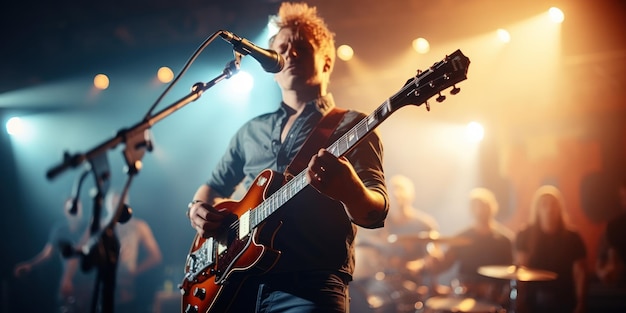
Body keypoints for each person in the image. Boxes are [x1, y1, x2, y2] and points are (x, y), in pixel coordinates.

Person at [185, 2, 389, 312]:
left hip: (310, 286)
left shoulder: (354, 126)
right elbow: (211, 189)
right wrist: (197, 210)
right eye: (282, 48)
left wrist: (351, 191)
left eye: (301, 48)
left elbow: (376, 211)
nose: (289, 54)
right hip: (235, 286)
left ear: (327, 62)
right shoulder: (250, 131)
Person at [411, 187, 514, 308]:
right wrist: (431, 263)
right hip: (464, 291)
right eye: (476, 206)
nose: (480, 210)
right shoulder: (461, 238)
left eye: (484, 205)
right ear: (471, 209)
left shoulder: (504, 240)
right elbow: (445, 263)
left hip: (493, 295)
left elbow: (511, 273)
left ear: (492, 207)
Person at [514, 185, 587, 313]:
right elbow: (521, 269)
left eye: (554, 204)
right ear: (537, 209)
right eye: (544, 204)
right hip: (533, 301)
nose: (549, 209)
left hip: (564, 301)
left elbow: (580, 273)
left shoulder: (573, 237)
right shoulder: (525, 235)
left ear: (560, 208)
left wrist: (581, 302)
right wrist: (519, 299)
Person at [13, 197, 92, 313]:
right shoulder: (60, 230)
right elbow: (47, 254)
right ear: (65, 210)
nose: (76, 210)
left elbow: (80, 249)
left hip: (88, 281)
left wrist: (67, 277)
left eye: (78, 206)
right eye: (72, 207)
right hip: (68, 285)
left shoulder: (90, 226)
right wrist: (30, 265)